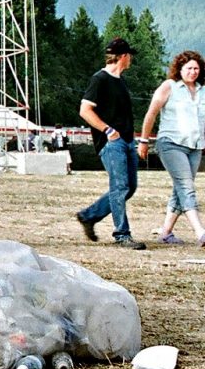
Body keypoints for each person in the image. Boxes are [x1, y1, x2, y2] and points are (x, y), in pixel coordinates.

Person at [76, 37, 146, 249]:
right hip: (112, 142)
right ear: (123, 57)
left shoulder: (121, 81)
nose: (131, 59)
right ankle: (122, 234)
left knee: (129, 187)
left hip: (126, 141)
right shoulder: (100, 79)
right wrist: (108, 131)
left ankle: (89, 216)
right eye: (130, 56)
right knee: (120, 187)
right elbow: (85, 110)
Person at [139, 50, 205, 246]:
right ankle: (200, 232)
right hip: (171, 143)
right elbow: (151, 114)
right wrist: (144, 140)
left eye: (196, 68)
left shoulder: (202, 90)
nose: (192, 72)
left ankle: (166, 232)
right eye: (189, 68)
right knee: (186, 187)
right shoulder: (169, 87)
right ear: (180, 69)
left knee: (181, 188)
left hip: (194, 146)